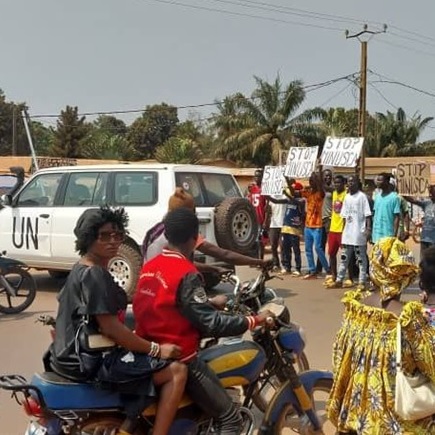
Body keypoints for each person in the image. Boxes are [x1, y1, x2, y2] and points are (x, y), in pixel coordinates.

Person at [133, 207, 274, 435]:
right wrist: (253, 320)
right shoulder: (186, 273)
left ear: (167, 235)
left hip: (148, 350)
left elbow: (170, 304)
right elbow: (211, 324)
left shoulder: (151, 266)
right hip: (181, 355)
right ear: (194, 237)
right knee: (230, 418)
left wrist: (207, 301)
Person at [49, 206, 187, 435]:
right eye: (104, 235)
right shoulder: (95, 274)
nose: (113, 241)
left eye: (118, 235)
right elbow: (111, 328)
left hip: (66, 357)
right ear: (88, 237)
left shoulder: (79, 268)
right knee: (177, 371)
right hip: (91, 363)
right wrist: (156, 349)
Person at [327, 238, 435, 434]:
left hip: (354, 413)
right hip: (393, 423)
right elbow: (431, 365)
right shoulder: (409, 320)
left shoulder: (354, 309)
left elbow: (338, 358)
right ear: (406, 276)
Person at [143, 187, 270, 269]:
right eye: (194, 210)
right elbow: (223, 254)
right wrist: (259, 262)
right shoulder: (182, 232)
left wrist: (212, 268)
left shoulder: (155, 231)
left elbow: (180, 263)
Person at [326, 175, 372, 290]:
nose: (350, 184)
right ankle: (339, 280)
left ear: (357, 183)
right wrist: (344, 231)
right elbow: (344, 217)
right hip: (347, 234)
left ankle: (362, 282)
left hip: (359, 233)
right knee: (344, 258)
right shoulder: (347, 197)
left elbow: (367, 215)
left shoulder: (362, 197)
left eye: (353, 182)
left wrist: (368, 229)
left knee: (361, 259)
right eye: (349, 182)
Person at [287, 171, 331, 279]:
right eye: (310, 181)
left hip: (317, 226)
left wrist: (319, 172)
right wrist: (288, 182)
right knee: (308, 249)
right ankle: (312, 270)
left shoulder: (320, 193)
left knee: (318, 248)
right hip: (308, 226)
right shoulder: (308, 192)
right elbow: (294, 193)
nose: (311, 183)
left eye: (313, 181)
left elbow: (321, 189)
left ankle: (328, 270)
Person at [324, 175, 346, 284]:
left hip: (343, 229)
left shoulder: (347, 194)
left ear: (344, 183)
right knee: (331, 254)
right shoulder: (334, 193)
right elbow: (323, 186)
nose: (337, 185)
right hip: (333, 228)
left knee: (346, 255)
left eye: (339, 183)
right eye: (335, 183)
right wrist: (319, 169)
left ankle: (348, 277)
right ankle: (334, 275)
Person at [280, 180, 304, 276]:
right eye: (294, 190)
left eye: (297, 190)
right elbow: (277, 201)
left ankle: (298, 268)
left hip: (294, 228)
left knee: (296, 249)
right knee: (286, 249)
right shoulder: (288, 200)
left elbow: (296, 202)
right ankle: (287, 267)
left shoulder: (302, 200)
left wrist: (286, 193)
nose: (296, 191)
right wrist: (267, 196)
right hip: (285, 227)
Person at [404, 184, 435, 257]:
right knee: (423, 262)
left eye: (432, 193)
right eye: (430, 192)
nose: (430, 195)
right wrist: (402, 194)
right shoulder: (427, 203)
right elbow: (413, 200)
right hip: (425, 238)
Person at [372, 172, 401, 243]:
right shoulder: (377, 197)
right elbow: (375, 215)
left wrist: (394, 236)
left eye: (380, 180)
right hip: (376, 235)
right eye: (377, 180)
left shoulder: (394, 197)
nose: (378, 182)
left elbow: (397, 217)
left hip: (388, 235)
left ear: (387, 181)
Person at [247, 169, 269, 259]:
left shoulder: (264, 190)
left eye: (259, 176)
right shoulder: (252, 189)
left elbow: (267, 207)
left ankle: (261, 259)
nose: (256, 178)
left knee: (261, 241)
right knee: (252, 240)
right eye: (255, 176)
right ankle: (254, 259)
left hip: (261, 218)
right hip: (252, 219)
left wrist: (265, 221)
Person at [316, 168, 333, 274]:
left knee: (331, 246)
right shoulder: (320, 189)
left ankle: (331, 268)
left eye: (329, 176)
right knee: (319, 246)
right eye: (325, 175)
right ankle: (319, 267)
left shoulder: (332, 188)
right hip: (320, 220)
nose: (328, 177)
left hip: (330, 219)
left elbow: (324, 187)